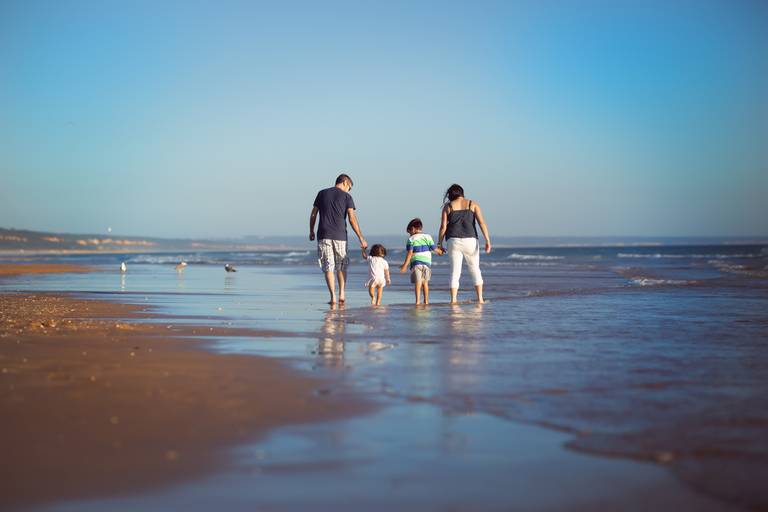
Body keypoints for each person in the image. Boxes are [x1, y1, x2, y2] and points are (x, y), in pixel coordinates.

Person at [309, 174, 368, 305]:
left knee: (328, 266)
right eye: (350, 187)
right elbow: (352, 219)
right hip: (340, 236)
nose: (349, 190)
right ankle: (342, 292)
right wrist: (361, 238)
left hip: (323, 235)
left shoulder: (322, 193)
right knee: (341, 266)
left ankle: (333, 297)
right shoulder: (347, 197)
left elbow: (313, 213)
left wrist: (311, 230)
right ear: (345, 182)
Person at [437, 184, 491, 304]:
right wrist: (487, 240)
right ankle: (480, 299)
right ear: (462, 193)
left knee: (455, 272)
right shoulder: (473, 204)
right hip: (471, 240)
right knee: (475, 269)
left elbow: (443, 227)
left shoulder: (448, 206)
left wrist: (439, 244)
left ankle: (453, 300)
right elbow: (482, 223)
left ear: (451, 194)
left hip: (453, 240)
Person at [399, 218, 439, 305]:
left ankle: (417, 301)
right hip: (427, 264)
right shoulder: (428, 236)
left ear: (413, 229)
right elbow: (434, 249)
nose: (409, 234)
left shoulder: (411, 239)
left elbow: (410, 253)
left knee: (418, 282)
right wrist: (440, 252)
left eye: (409, 232)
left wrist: (405, 266)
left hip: (416, 263)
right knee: (425, 282)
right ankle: (426, 301)